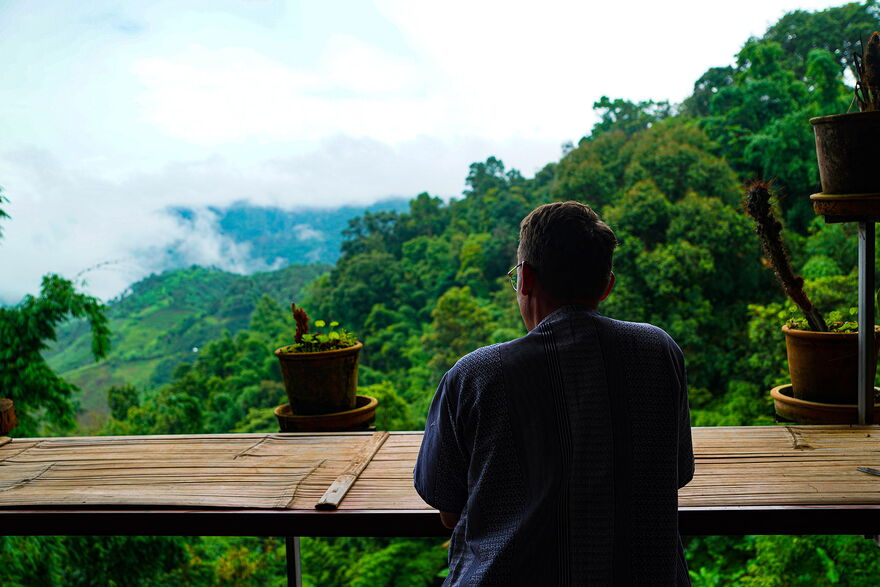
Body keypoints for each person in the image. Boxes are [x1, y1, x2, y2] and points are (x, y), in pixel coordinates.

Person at [414, 200, 694, 585]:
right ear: (607, 286)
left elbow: (448, 508)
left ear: (525, 278)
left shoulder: (476, 375)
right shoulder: (658, 353)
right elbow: (676, 475)